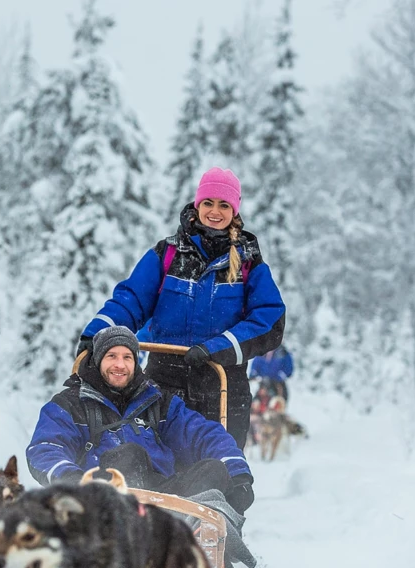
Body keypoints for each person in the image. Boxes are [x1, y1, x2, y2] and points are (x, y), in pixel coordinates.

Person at [76, 167, 285, 450]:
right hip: (163, 381)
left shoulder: (249, 263)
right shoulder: (168, 254)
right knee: (153, 464)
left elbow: (269, 320)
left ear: (234, 211)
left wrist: (218, 348)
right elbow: (132, 299)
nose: (215, 211)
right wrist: (97, 333)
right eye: (208, 203)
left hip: (222, 383)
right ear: (197, 205)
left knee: (219, 470)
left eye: (224, 205)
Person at [28, 326, 255, 514]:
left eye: (127, 357)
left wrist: (238, 474)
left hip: (164, 499)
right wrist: (72, 479)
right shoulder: (70, 404)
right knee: (128, 455)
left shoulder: (159, 401)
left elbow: (203, 435)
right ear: (97, 360)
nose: (120, 364)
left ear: (136, 363)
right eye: (111, 356)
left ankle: (198, 541)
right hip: (99, 500)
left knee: (214, 470)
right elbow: (46, 448)